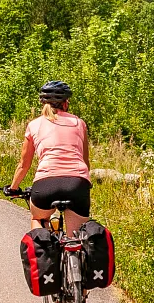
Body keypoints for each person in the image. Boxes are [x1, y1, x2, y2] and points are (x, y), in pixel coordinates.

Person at [5, 80, 91, 235]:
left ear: (42, 104)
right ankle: (75, 254)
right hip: (77, 183)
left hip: (46, 184)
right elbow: (85, 162)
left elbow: (24, 164)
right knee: (77, 237)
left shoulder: (34, 125)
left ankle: (43, 250)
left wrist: (13, 188)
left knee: (38, 219)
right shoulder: (79, 123)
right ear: (66, 103)